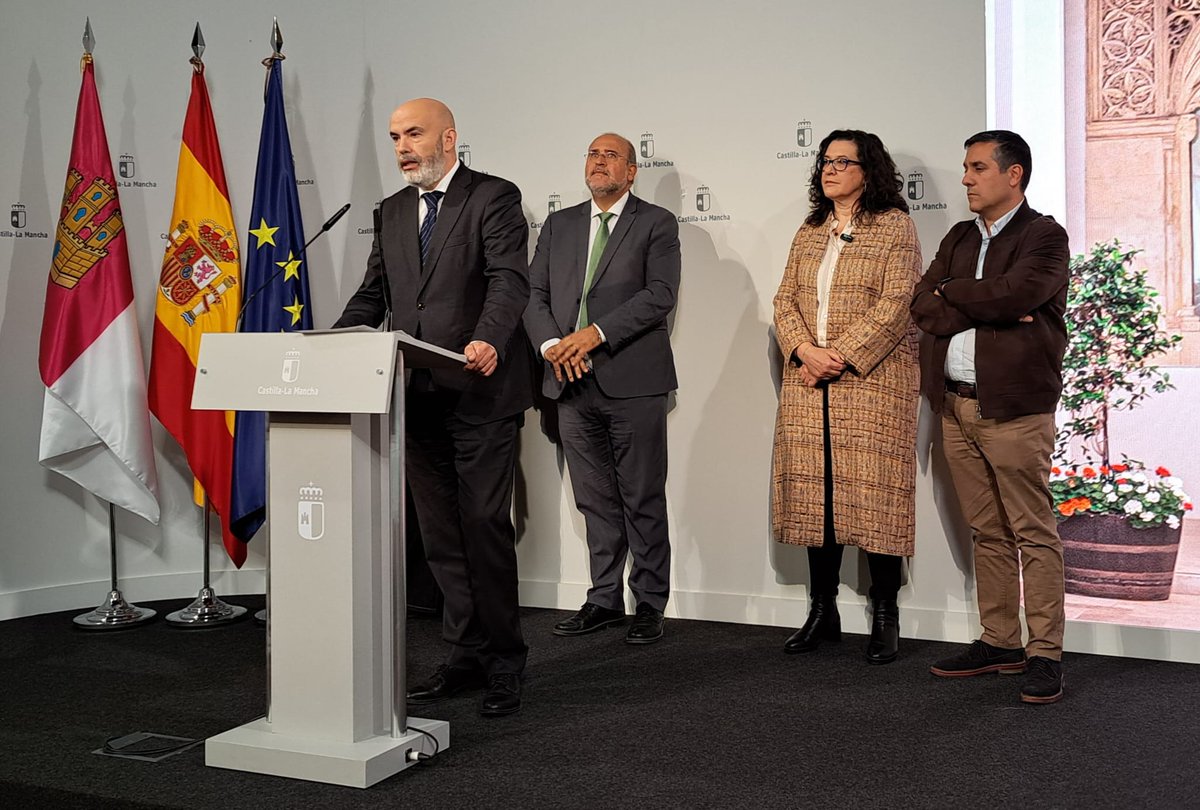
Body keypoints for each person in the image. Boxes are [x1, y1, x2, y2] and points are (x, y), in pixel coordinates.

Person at [333, 98, 532, 716]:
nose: (402, 148)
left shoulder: (493, 197)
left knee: (483, 528)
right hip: (414, 396)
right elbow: (375, 295)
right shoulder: (391, 211)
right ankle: (465, 653)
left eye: (413, 134)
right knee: (441, 538)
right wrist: (333, 343)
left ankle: (505, 661)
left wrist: (489, 338)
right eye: (394, 137)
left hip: (480, 390)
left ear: (448, 137)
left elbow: (508, 280)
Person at [910, 130, 1069, 704]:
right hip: (955, 404)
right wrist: (978, 299)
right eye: (966, 168)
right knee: (988, 531)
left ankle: (1044, 652)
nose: (966, 179)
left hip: (1015, 409)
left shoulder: (1044, 236)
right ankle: (1000, 641)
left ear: (1014, 174)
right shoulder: (957, 235)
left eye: (978, 168)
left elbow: (1018, 295)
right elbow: (922, 304)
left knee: (1033, 532)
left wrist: (961, 294)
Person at [772, 129, 921, 665]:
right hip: (809, 383)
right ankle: (822, 610)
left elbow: (897, 302)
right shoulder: (810, 230)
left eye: (843, 161)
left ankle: (886, 614)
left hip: (873, 382)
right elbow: (784, 299)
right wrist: (804, 351)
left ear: (868, 170)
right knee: (820, 497)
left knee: (876, 495)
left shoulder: (895, 227)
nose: (830, 170)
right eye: (825, 161)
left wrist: (838, 355)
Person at [524, 133, 680, 645]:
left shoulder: (656, 223)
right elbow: (535, 293)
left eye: (611, 155)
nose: (598, 161)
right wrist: (552, 345)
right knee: (594, 500)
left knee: (641, 496)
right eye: (592, 153)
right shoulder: (560, 223)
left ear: (632, 171)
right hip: (567, 382)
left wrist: (594, 335)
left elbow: (659, 295)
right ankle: (604, 598)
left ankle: (651, 602)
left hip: (632, 380)